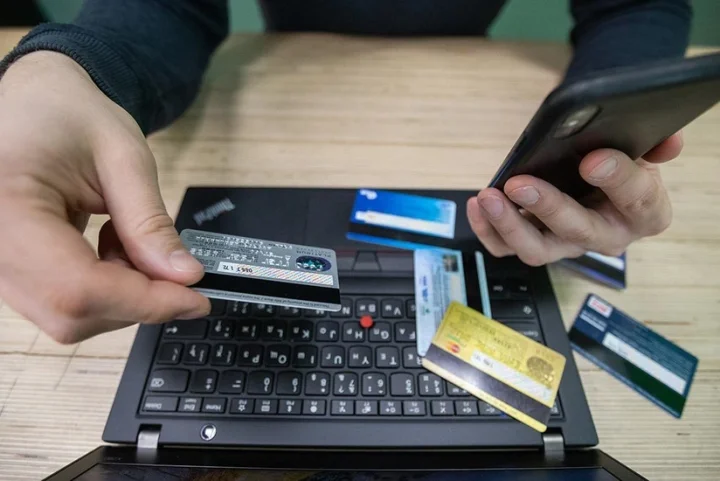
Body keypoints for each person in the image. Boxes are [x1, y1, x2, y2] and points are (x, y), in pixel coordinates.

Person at [0, 0, 691, 344]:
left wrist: (601, 125)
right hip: (268, 105)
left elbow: (636, 6)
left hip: (465, 104)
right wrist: (61, 70)